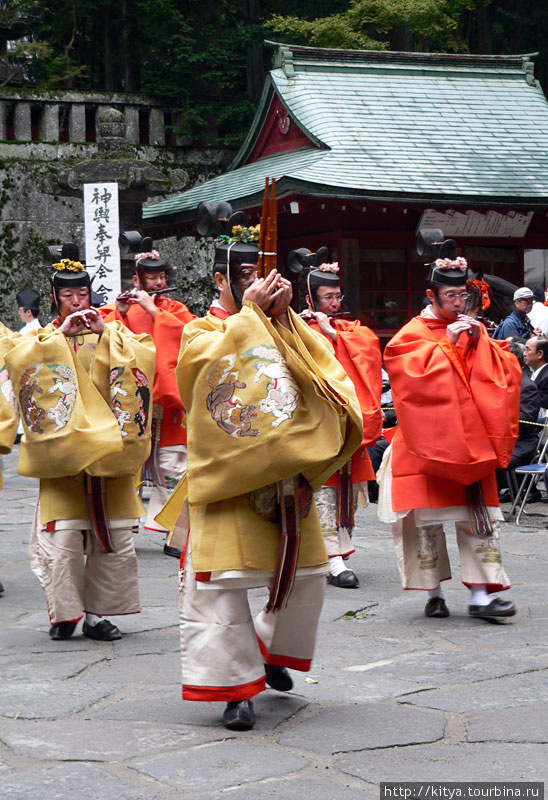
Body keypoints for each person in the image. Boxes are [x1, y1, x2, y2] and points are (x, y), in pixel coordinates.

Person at [157, 202, 362, 730]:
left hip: (285, 478)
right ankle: (234, 687)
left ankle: (270, 654)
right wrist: (251, 317)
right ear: (223, 279)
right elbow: (195, 379)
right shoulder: (201, 330)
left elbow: (326, 375)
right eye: (247, 275)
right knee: (220, 585)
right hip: (228, 480)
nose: (260, 284)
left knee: (307, 574)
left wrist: (283, 318)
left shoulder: (287, 326)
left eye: (263, 274)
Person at [4, 248, 155, 641]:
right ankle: (65, 613)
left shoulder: (114, 333)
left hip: (110, 453)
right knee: (65, 543)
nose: (77, 302)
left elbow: (145, 353)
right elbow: (20, 361)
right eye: (69, 297)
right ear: (56, 298)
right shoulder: (42, 338)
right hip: (65, 460)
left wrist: (106, 334)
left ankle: (96, 615)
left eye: (83, 295)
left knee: (112, 540)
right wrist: (58, 339)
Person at [381, 243, 521, 620]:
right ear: (431, 295)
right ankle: (434, 592)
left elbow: (503, 372)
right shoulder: (413, 332)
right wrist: (449, 344)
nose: (458, 302)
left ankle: (481, 595)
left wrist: (481, 345)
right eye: (450, 295)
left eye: (463, 294)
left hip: (470, 440)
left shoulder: (474, 327)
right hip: (424, 442)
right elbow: (408, 377)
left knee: (477, 517)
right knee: (425, 524)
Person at [101, 245, 195, 557]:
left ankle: (174, 533)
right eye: (151, 278)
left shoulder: (176, 310)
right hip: (134, 401)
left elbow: (191, 335)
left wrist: (155, 312)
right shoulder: (125, 308)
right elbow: (110, 341)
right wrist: (121, 314)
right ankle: (120, 526)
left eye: (161, 276)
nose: (157, 283)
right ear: (137, 280)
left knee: (172, 466)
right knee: (127, 463)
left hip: (167, 403)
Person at [296, 249, 382, 588]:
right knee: (324, 493)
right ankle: (331, 558)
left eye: (336, 296)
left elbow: (369, 350)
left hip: (348, 425)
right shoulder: (297, 326)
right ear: (310, 298)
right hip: (317, 425)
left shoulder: (349, 329)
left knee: (349, 491)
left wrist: (334, 336)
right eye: (326, 297)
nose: (334, 303)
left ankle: (336, 553)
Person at [497, 339, 541, 502]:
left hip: (521, 442)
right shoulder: (499, 382)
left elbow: (527, 419)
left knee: (491, 462)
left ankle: (487, 504)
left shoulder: (526, 386)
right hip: (501, 438)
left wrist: (498, 414)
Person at [524, 336, 548, 412]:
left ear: (540, 354)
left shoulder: (546, 379)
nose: (524, 353)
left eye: (527, 349)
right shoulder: (526, 370)